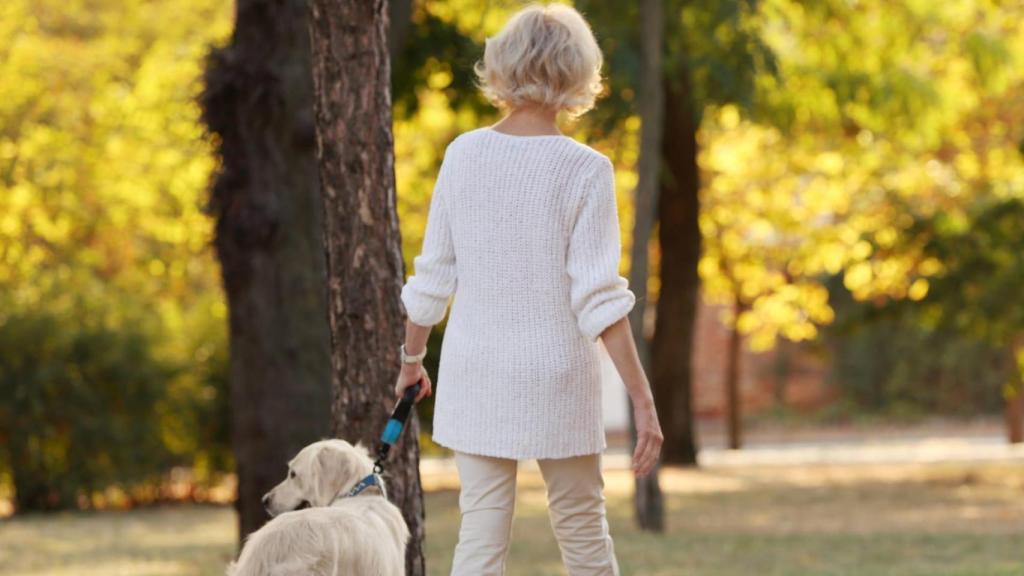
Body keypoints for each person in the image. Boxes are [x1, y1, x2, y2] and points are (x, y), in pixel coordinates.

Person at [395, 4, 663, 575]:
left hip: (476, 373)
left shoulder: (463, 155)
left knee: (480, 537)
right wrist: (642, 400)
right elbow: (599, 300)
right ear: (577, 72)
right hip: (559, 374)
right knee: (584, 535)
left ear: (502, 65)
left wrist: (411, 361)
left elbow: (432, 277)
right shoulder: (586, 168)